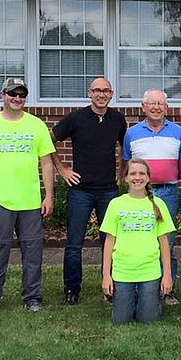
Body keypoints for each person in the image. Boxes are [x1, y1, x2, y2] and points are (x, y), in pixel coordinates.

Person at [0, 77, 55, 313]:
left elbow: (46, 162)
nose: (17, 99)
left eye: (21, 95)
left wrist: (48, 196)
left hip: (30, 201)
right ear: (3, 95)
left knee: (33, 252)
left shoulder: (36, 126)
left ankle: (32, 297)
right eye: (12, 94)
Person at [51, 76, 127, 305]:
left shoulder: (117, 120)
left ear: (111, 94)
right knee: (74, 244)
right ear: (89, 93)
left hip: (108, 191)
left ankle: (111, 289)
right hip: (80, 191)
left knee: (110, 242)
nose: (101, 94)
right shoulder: (76, 118)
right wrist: (62, 169)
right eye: (97, 90)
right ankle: (71, 290)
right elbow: (48, 141)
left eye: (106, 91)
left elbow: (124, 147)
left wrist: (121, 171)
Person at [122, 89, 181, 305]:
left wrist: (167, 178)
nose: (156, 107)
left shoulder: (178, 132)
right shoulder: (132, 133)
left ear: (166, 108)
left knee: (166, 241)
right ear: (143, 107)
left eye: (161, 103)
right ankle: (141, 286)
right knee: (138, 238)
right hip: (140, 193)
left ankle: (167, 290)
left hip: (167, 192)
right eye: (152, 103)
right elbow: (126, 163)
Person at [100, 158, 175, 325]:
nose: (137, 177)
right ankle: (129, 299)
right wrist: (106, 275)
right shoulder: (116, 204)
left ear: (148, 177)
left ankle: (149, 301)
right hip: (123, 271)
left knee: (148, 320)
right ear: (126, 177)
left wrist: (167, 275)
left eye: (142, 173)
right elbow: (109, 242)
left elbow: (164, 243)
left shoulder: (158, 204)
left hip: (150, 271)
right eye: (132, 173)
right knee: (121, 321)